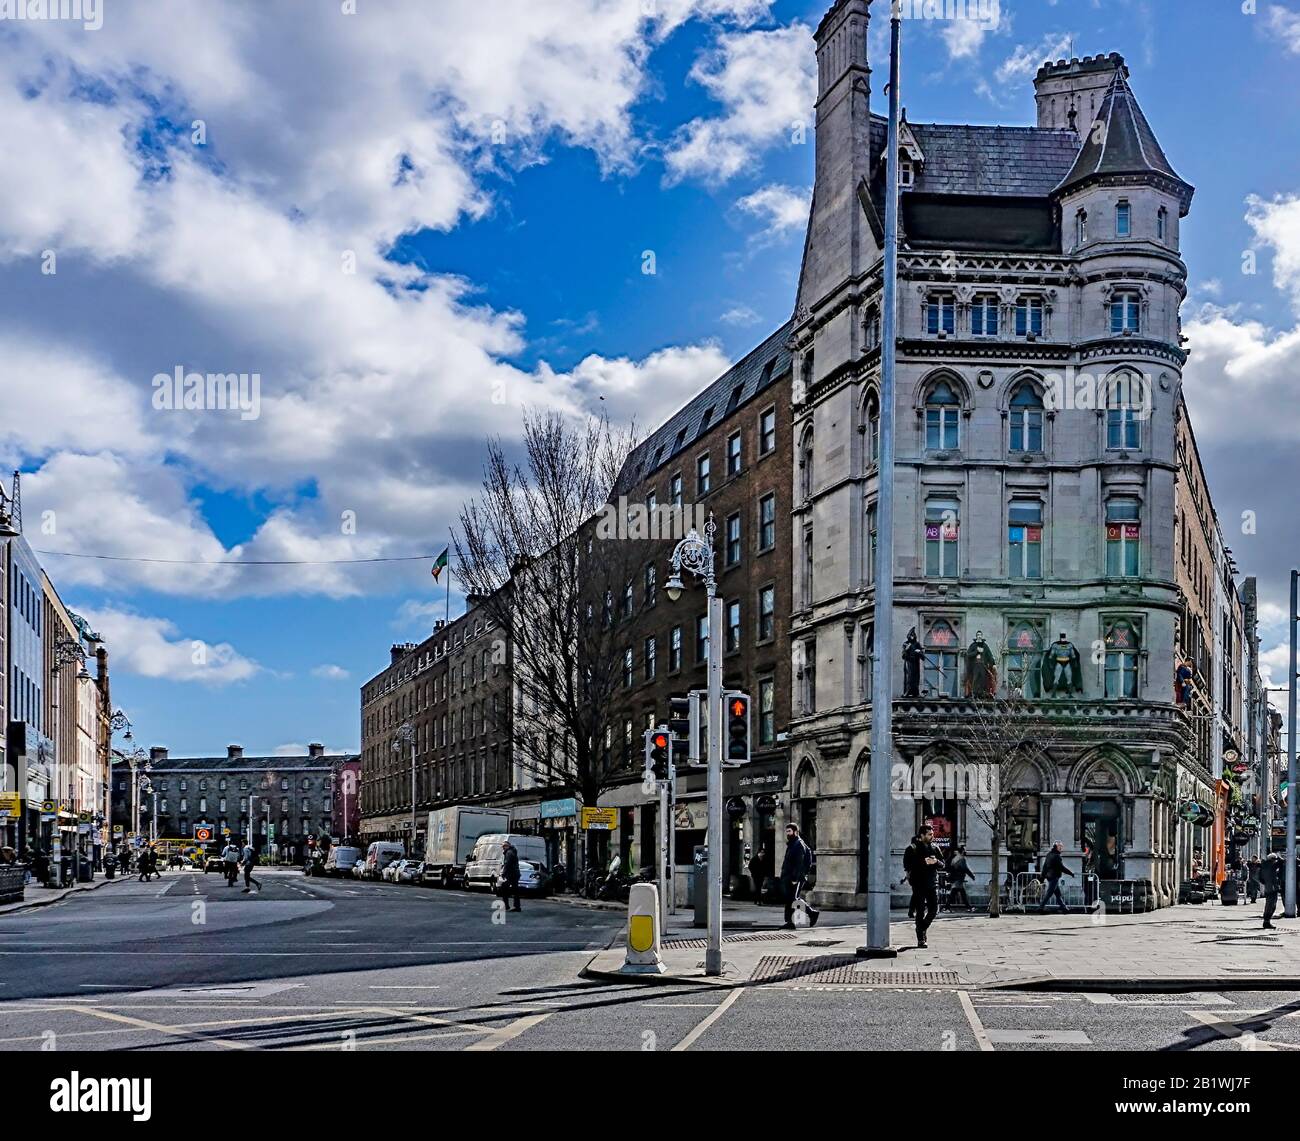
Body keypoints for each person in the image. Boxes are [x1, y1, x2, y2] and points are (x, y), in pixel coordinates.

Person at [904, 826, 942, 947]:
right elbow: (907, 865)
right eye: (929, 834)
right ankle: (921, 939)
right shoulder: (912, 849)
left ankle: (922, 928)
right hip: (918, 884)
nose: (932, 836)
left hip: (932, 883)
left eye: (932, 834)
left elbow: (943, 864)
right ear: (921, 835)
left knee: (934, 909)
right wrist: (923, 862)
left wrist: (936, 862)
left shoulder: (935, 848)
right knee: (920, 911)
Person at [780, 823, 819, 929]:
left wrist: (795, 879)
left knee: (793, 898)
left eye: (789, 831)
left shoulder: (798, 844)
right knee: (790, 899)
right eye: (787, 831)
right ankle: (789, 922)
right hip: (789, 876)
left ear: (796, 832)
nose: (787, 833)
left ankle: (811, 913)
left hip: (796, 877)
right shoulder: (792, 844)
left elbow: (799, 864)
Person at [1039, 841, 1074, 914]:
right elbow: (1061, 868)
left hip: (1049, 876)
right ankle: (1041, 907)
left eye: (1061, 846)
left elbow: (1045, 867)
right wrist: (1070, 873)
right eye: (1060, 846)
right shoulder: (1057, 856)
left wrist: (1042, 876)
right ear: (1056, 847)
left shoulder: (1049, 854)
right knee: (1049, 893)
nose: (1061, 848)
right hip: (1054, 877)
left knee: (1058, 894)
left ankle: (1064, 908)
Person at [946, 846, 975, 910]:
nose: (965, 851)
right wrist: (972, 876)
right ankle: (947, 907)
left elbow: (951, 868)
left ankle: (968, 907)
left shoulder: (955, 859)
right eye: (964, 850)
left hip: (956, 878)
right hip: (959, 879)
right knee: (957, 894)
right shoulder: (962, 859)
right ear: (962, 851)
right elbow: (965, 869)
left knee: (958, 893)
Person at [1261, 851, 1284, 930]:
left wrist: (1265, 882)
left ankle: (1266, 921)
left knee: (1269, 904)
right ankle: (1267, 921)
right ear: (1273, 859)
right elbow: (1281, 861)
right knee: (1272, 906)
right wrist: (1279, 856)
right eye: (1275, 859)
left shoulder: (1264, 865)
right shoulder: (1272, 865)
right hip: (1273, 888)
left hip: (1268, 887)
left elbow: (1260, 877)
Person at [500, 839, 522, 912]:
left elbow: (507, 864)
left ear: (507, 846)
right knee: (515, 890)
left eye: (504, 846)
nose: (503, 848)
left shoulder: (508, 853)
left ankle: (506, 906)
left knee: (504, 889)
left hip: (511, 874)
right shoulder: (512, 851)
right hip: (515, 873)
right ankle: (517, 906)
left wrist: (503, 873)